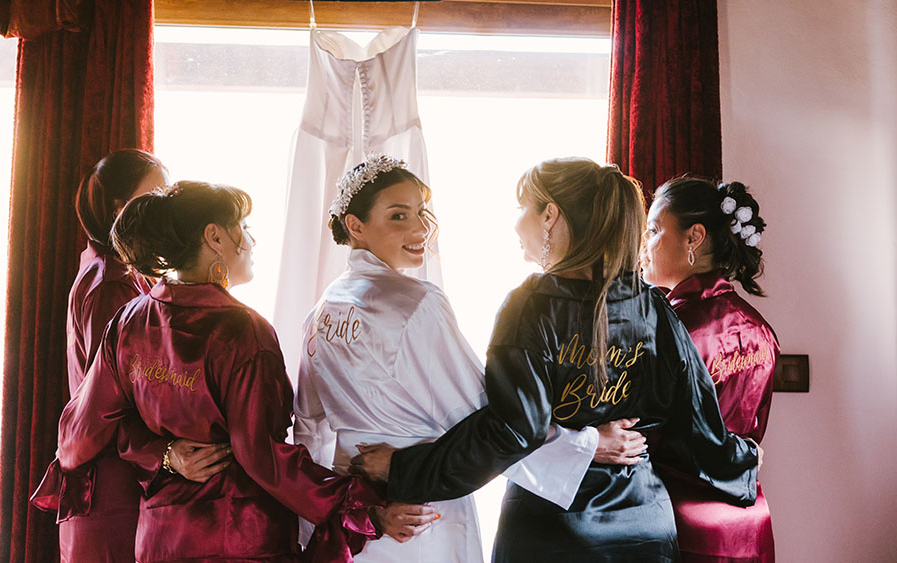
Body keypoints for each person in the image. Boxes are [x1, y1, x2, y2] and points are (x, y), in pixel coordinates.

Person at [352, 158, 762, 562]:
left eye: (522, 208)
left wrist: (404, 470)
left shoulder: (530, 307)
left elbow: (512, 431)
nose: (516, 225)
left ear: (549, 215)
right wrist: (745, 460)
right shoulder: (654, 308)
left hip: (553, 532)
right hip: (644, 526)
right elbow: (697, 428)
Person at [55, 180, 431, 562]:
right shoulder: (242, 331)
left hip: (159, 539)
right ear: (215, 237)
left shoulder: (129, 321)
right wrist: (361, 507)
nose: (252, 241)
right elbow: (263, 457)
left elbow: (84, 426)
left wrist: (163, 453)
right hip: (239, 537)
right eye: (245, 227)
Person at [295, 154, 648, 562]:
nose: (420, 228)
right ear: (355, 226)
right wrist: (586, 445)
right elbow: (487, 417)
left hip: (360, 525)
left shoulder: (321, 312)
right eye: (398, 216)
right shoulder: (417, 305)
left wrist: (335, 519)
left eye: (421, 212)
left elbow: (309, 430)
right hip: (421, 514)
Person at [32, 150, 228, 562]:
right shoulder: (112, 285)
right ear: (120, 208)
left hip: (120, 474)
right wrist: (166, 454)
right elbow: (108, 401)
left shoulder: (117, 271)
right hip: (112, 486)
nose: (167, 202)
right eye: (157, 192)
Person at [642, 177, 780, 562]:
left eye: (653, 230)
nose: (643, 245)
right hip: (749, 522)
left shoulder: (667, 329)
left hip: (679, 524)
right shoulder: (761, 330)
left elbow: (644, 437)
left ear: (694, 237)